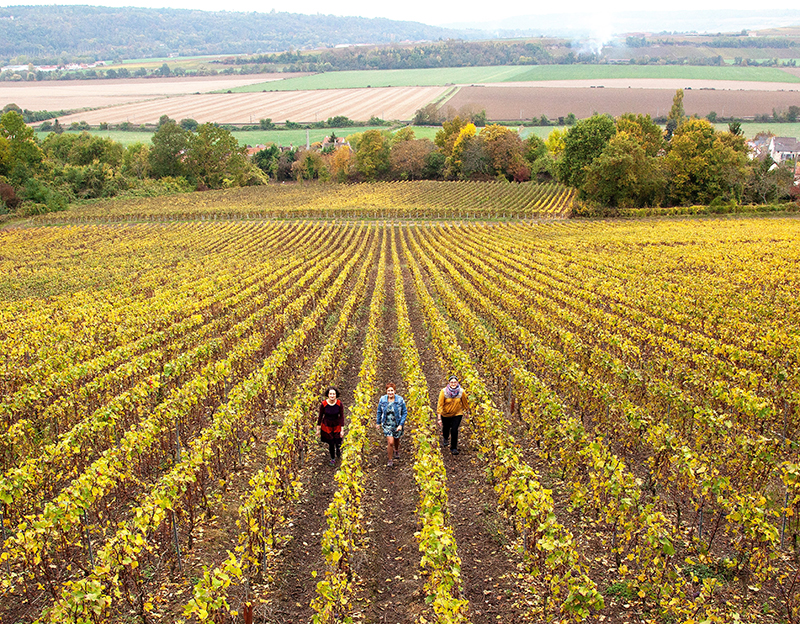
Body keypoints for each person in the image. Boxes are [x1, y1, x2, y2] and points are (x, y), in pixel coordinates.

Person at [375, 382, 407, 467]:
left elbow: (404, 412)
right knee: (390, 442)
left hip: (397, 424)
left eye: (392, 390)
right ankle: (390, 460)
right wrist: (378, 422)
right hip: (386, 424)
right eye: (388, 391)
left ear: (395, 391)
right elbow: (379, 411)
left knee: (396, 439)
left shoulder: (400, 400)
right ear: (386, 391)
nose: (390, 392)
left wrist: (401, 424)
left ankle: (396, 450)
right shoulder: (382, 400)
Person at [437, 375, 469, 455]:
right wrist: (439, 418)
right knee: (446, 428)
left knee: (454, 429)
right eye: (452, 382)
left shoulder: (461, 391)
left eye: (455, 382)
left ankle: (453, 447)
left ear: (457, 382)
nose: (453, 384)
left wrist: (467, 412)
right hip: (446, 414)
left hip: (457, 413)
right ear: (449, 383)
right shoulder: (443, 392)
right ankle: (445, 437)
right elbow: (440, 405)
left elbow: (465, 403)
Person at [318, 387, 344, 466]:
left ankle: (338, 451)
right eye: (330, 394)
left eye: (333, 394)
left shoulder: (339, 404)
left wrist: (342, 429)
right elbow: (320, 416)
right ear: (328, 395)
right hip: (327, 425)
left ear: (336, 395)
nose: (332, 395)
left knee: (338, 441)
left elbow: (342, 416)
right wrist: (318, 429)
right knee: (331, 443)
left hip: (337, 424)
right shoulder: (323, 404)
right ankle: (332, 458)